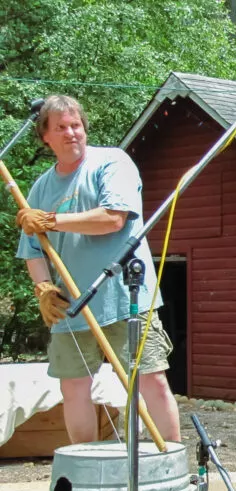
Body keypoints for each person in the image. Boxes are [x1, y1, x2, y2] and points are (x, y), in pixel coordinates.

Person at [15, 95, 181, 445]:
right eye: (60, 127)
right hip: (72, 305)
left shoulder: (112, 163)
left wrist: (52, 220)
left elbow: (112, 219)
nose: (70, 132)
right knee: (74, 387)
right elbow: (32, 249)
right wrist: (43, 288)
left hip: (125, 296)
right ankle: (86, 470)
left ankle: (175, 469)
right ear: (45, 136)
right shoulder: (41, 188)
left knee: (150, 379)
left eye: (75, 125)